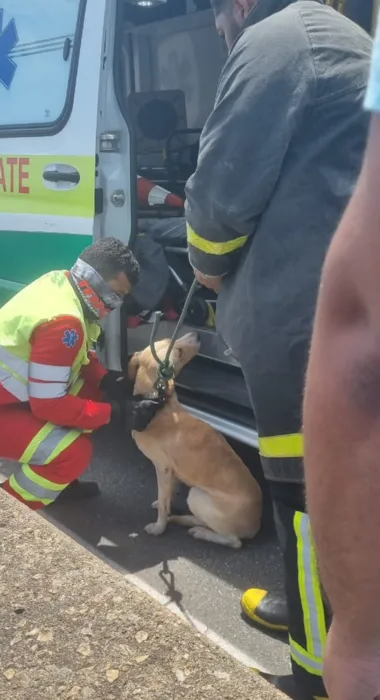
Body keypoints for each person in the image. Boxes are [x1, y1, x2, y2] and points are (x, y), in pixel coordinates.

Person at [185, 1, 372, 698]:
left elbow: (218, 207)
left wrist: (204, 262)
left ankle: (314, 670)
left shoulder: (274, 41)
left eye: (213, 11)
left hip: (308, 333)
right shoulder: (347, 37)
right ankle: (321, 619)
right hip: (342, 315)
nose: (213, 27)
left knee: (306, 509)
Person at [0, 238, 142, 510]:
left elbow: (76, 357)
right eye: (116, 294)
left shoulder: (60, 283)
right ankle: (7, 511)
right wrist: (116, 413)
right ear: (95, 280)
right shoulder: (64, 323)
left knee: (91, 391)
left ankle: (58, 482)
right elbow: (49, 405)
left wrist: (106, 379)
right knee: (74, 453)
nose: (116, 304)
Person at [303, 17, 380, 700]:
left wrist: (360, 646)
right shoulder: (341, 41)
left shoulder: (269, 52)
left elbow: (363, 337)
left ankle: (306, 641)